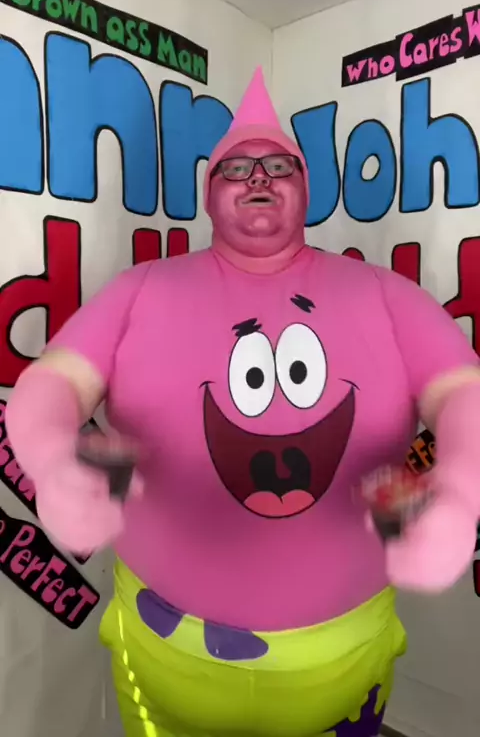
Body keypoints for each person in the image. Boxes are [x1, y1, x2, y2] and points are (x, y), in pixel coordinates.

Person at [6, 68, 480, 737]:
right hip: (162, 658)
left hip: (345, 668)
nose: (259, 176)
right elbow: (52, 383)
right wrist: (55, 458)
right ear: (209, 194)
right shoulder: (140, 288)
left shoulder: (384, 292)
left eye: (279, 166)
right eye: (237, 168)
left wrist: (460, 491)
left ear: (306, 189)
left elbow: (464, 393)